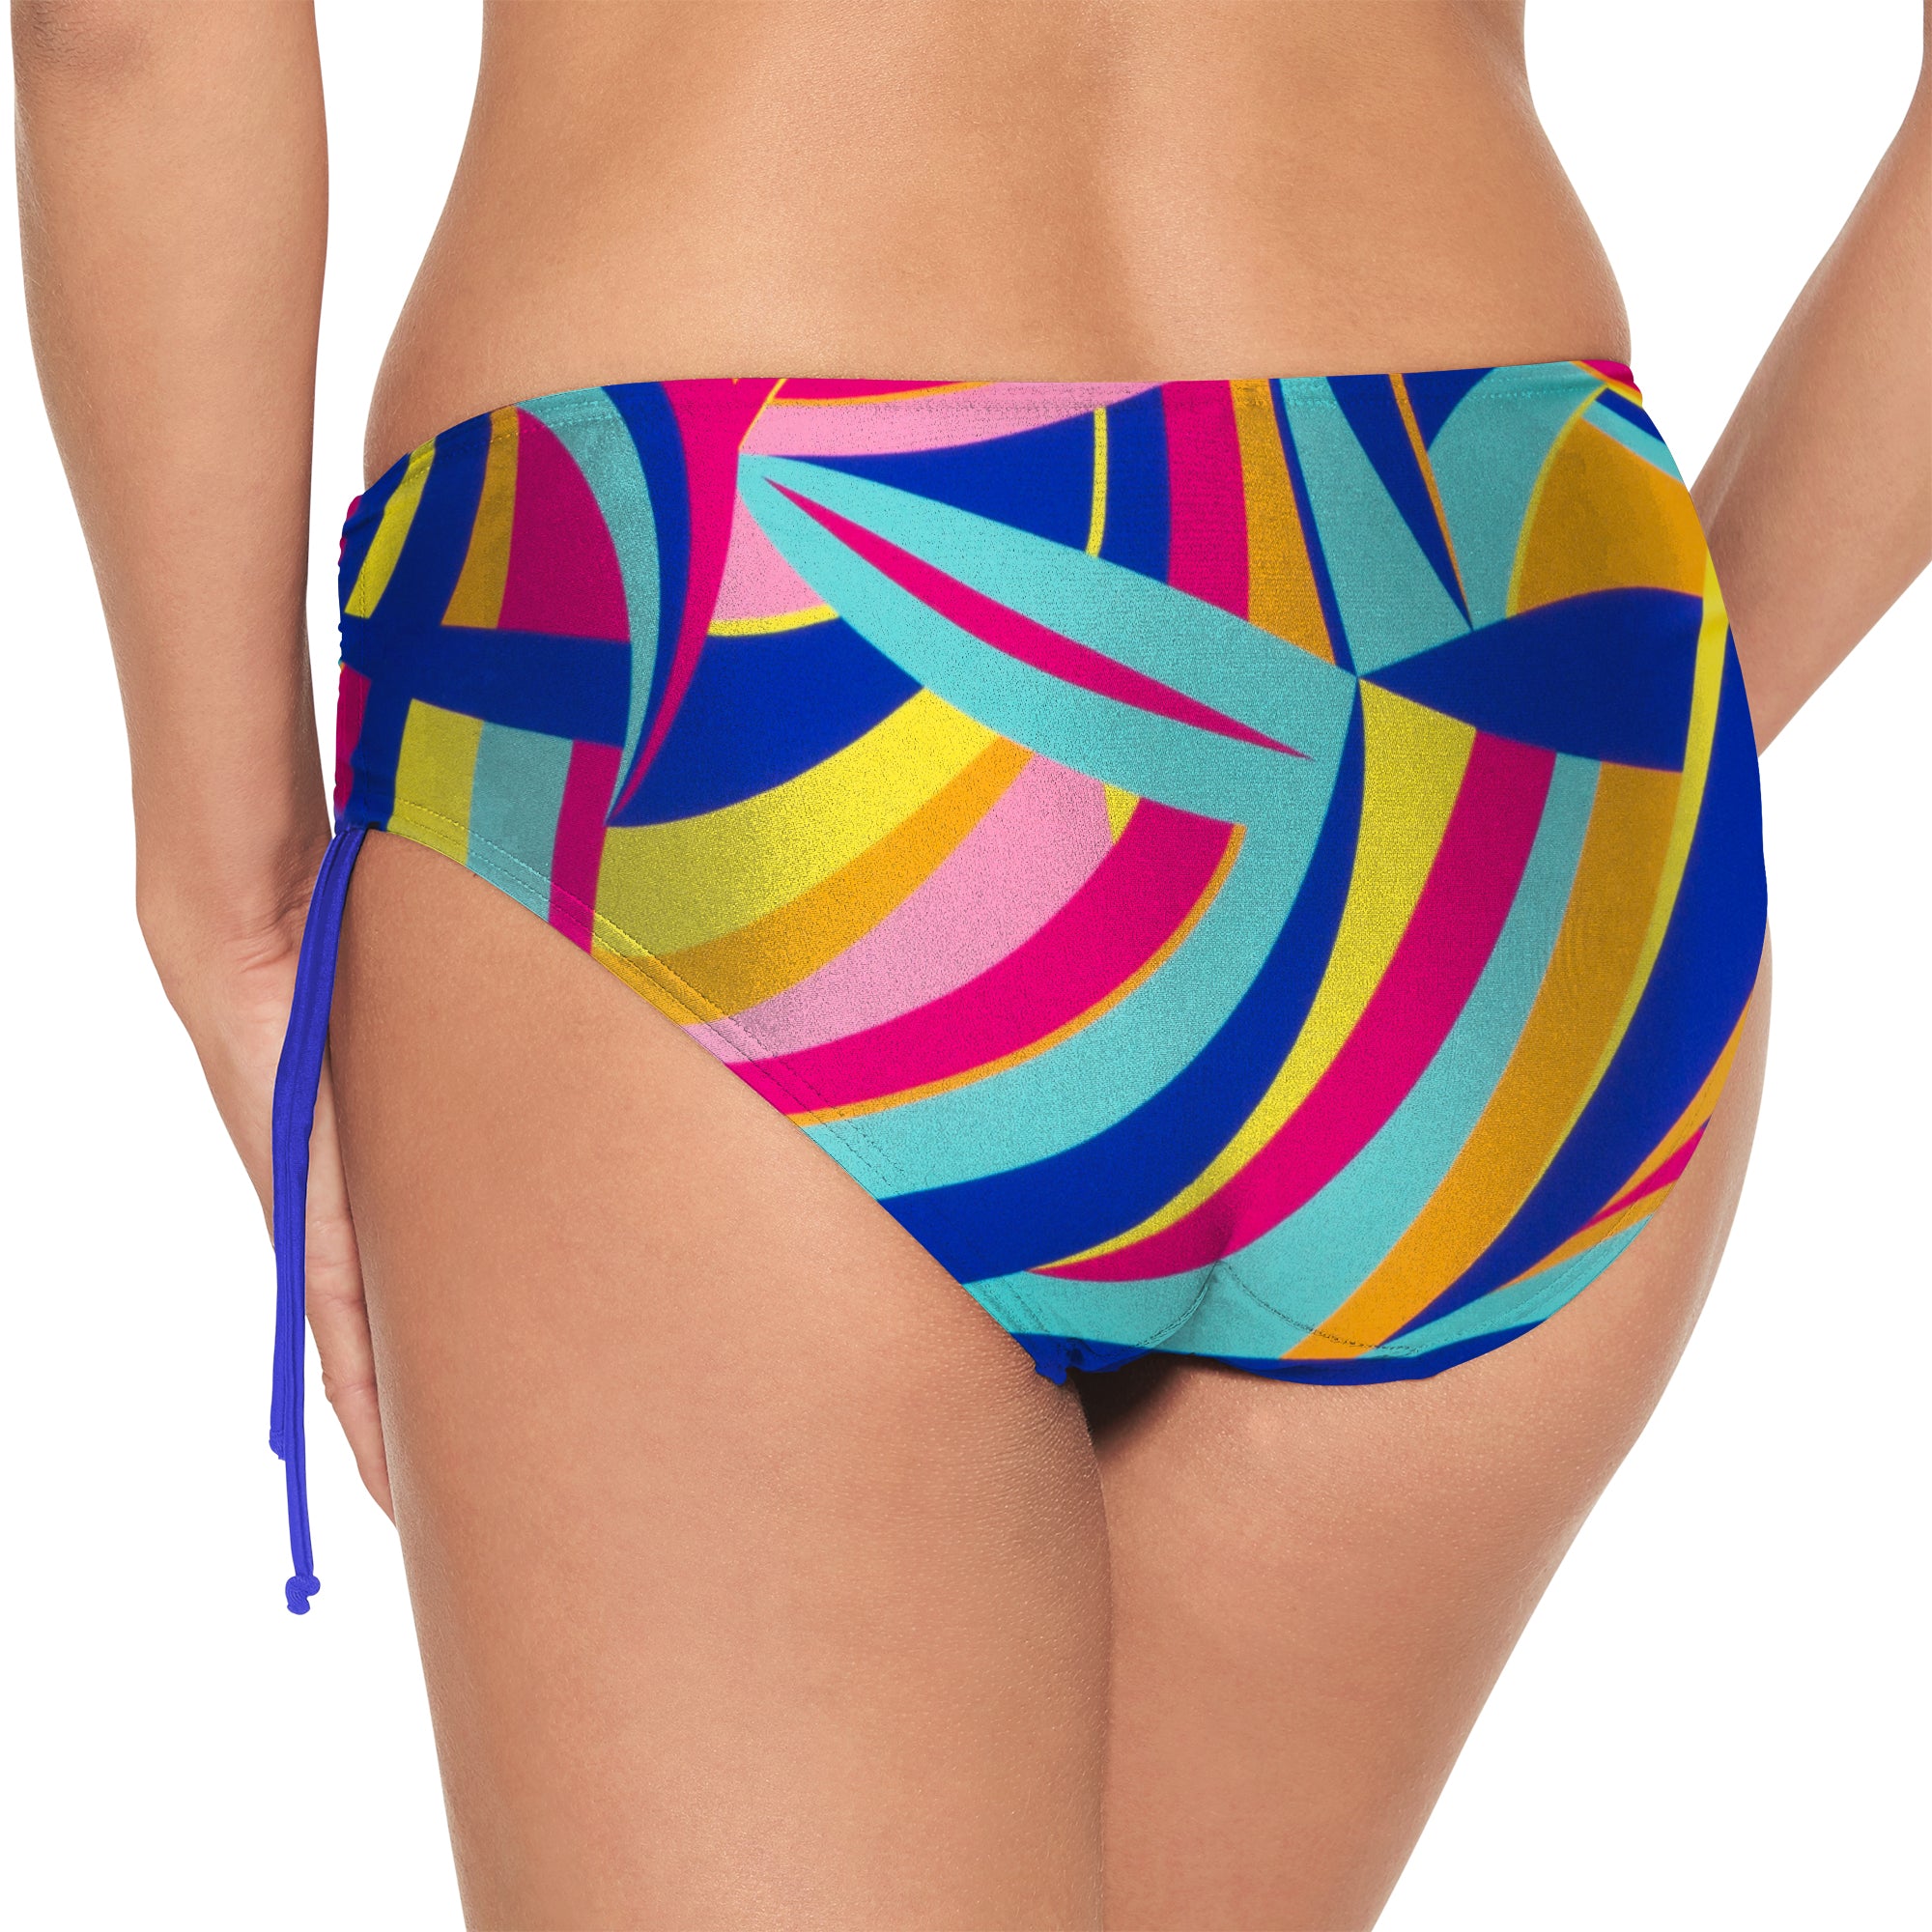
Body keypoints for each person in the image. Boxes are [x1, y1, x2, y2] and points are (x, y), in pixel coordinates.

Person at [15, 2, 1927, 1925]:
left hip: (750, 625)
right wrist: (1622, 730)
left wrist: (234, 890)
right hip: (1509, 653)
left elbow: (131, 33)